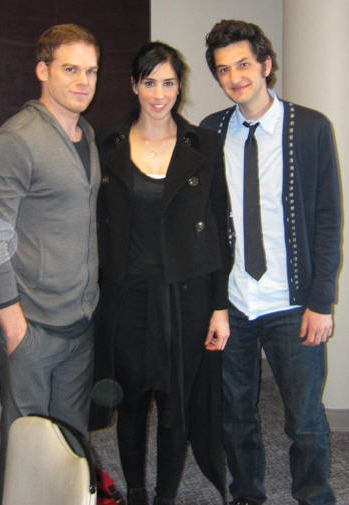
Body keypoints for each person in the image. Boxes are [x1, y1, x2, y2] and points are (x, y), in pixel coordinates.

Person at [201, 19, 341, 505]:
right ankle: (247, 495)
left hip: (293, 302)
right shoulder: (210, 132)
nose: (235, 76)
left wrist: (321, 301)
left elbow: (328, 220)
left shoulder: (311, 128)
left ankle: (315, 495)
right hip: (234, 302)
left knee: (304, 419)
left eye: (243, 64)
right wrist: (212, 301)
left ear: (265, 64)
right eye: (224, 69)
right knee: (235, 413)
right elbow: (205, 223)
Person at [0, 24, 101, 505]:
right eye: (70, 69)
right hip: (31, 324)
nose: (83, 81)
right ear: (43, 70)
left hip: (79, 321)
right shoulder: (15, 140)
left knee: (68, 438)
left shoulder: (85, 134)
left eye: (90, 70)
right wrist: (11, 322)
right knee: (26, 438)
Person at [96, 42, 230, 505]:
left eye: (168, 82)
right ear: (135, 85)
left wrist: (219, 306)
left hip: (187, 296)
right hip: (127, 297)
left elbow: (219, 228)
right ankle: (135, 491)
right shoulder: (106, 144)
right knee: (131, 400)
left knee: (176, 406)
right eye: (149, 81)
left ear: (179, 86)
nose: (159, 93)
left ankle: (167, 495)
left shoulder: (204, 145)